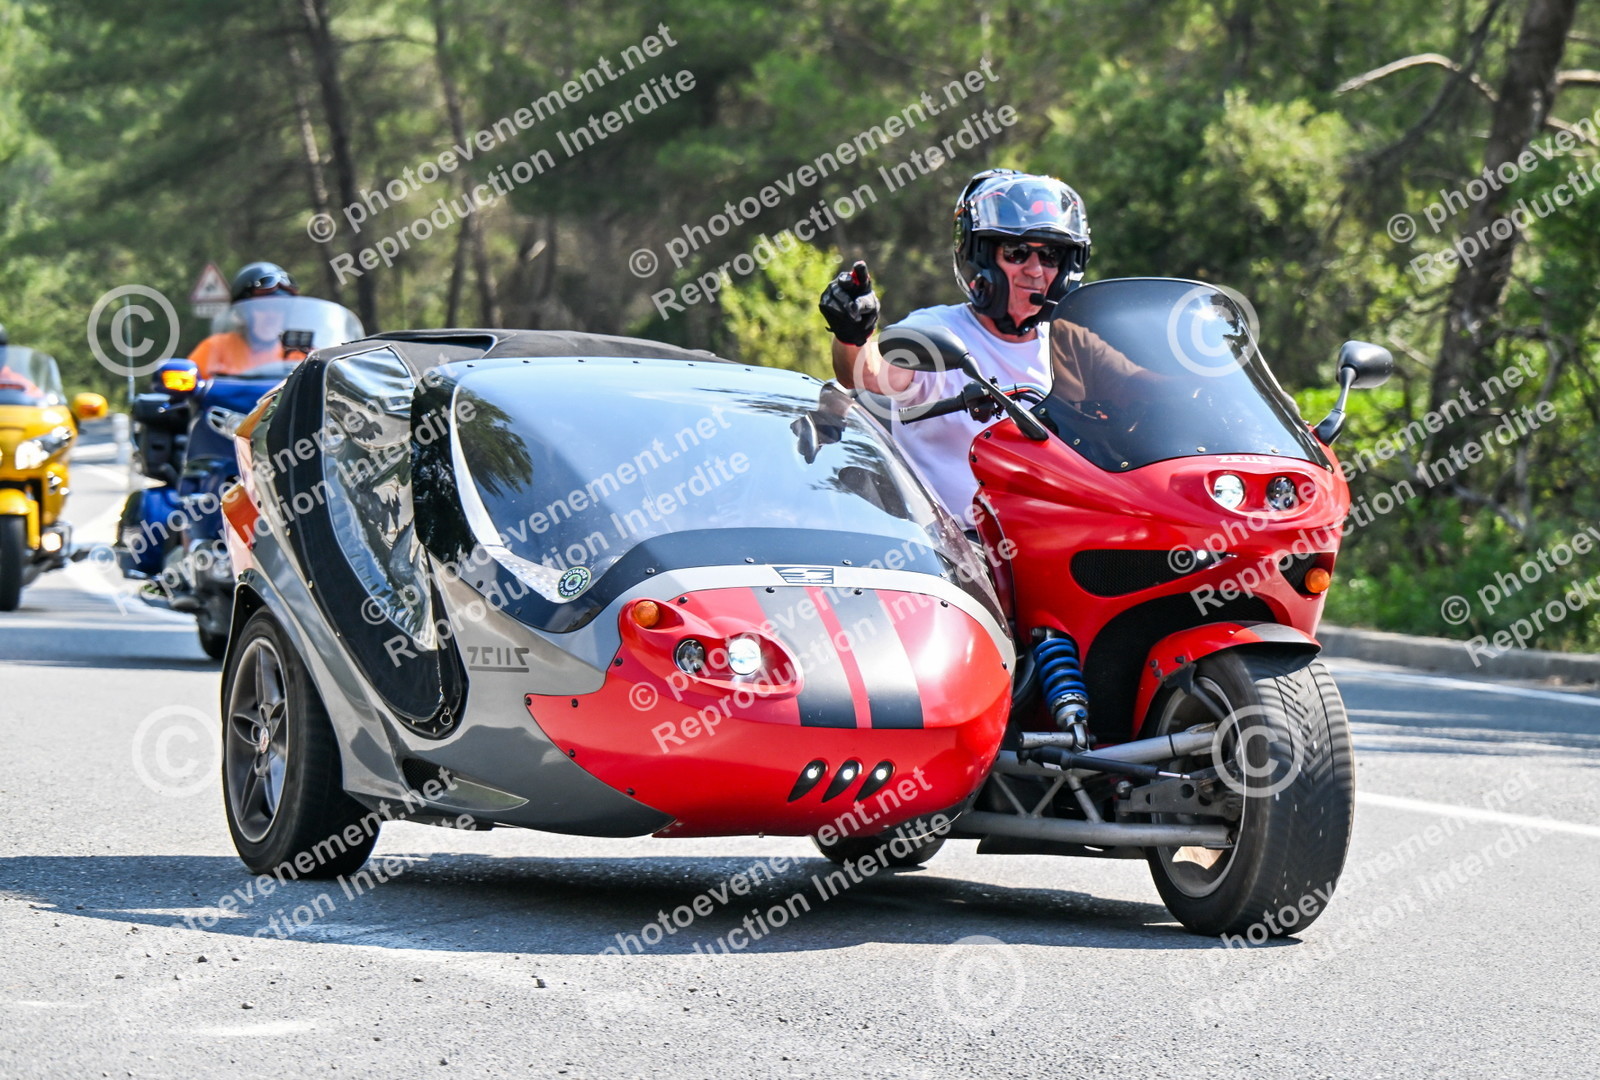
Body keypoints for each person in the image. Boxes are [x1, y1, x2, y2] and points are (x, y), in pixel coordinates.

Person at [824, 169, 1149, 526]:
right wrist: (852, 334)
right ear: (982, 258)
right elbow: (866, 374)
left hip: (1050, 541)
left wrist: (1195, 369)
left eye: (1051, 256)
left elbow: (1150, 389)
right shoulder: (935, 330)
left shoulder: (1071, 344)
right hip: (953, 545)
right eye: (1017, 252)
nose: (1035, 270)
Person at [187, 262, 300, 379]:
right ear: (243, 312)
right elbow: (186, 382)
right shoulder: (216, 348)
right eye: (262, 307)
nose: (272, 315)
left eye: (279, 308)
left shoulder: (296, 356)